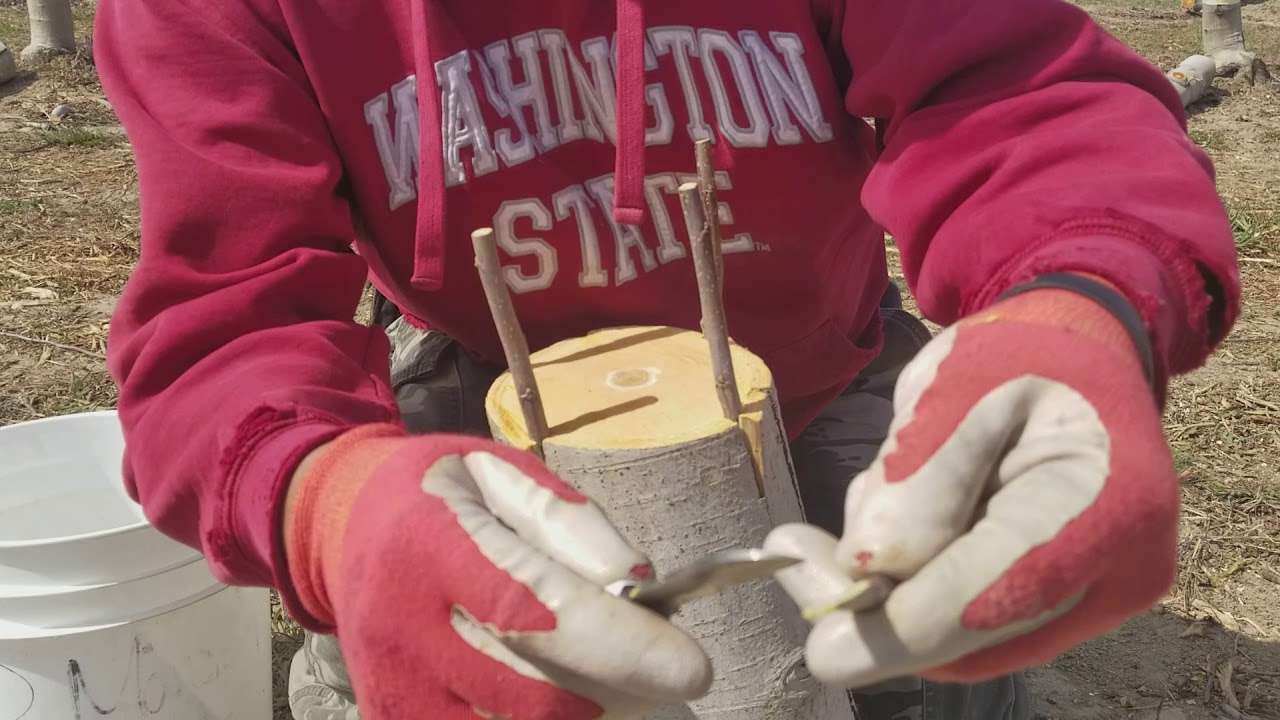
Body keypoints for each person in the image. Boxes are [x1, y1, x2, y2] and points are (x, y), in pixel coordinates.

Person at [93, 0, 1240, 717]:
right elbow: (227, 309)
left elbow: (1014, 98)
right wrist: (325, 503)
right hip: (483, 378)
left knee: (930, 653)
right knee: (426, 658)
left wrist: (1079, 305)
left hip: (817, 366)